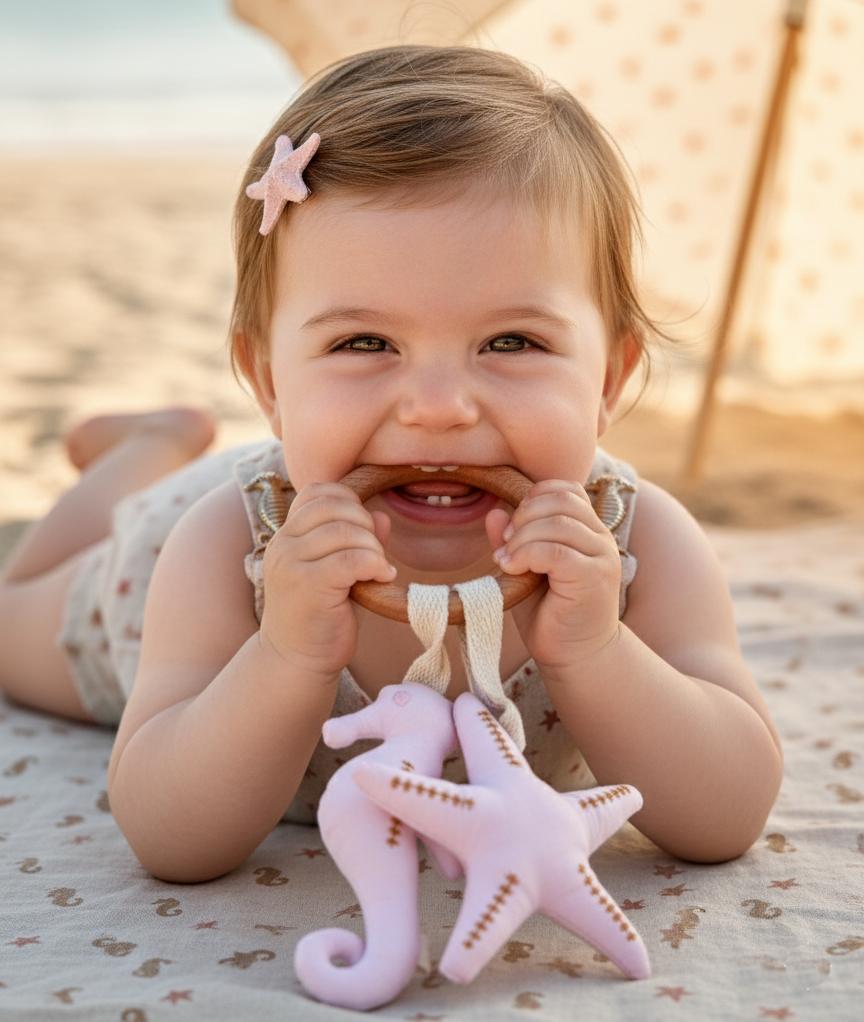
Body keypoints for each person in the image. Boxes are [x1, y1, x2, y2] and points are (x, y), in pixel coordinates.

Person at [0, 46, 783, 883]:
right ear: (270, 380)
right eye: (365, 343)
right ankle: (141, 453)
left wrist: (597, 652)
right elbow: (170, 838)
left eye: (512, 342)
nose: (438, 405)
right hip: (143, 575)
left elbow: (726, 816)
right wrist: (286, 658)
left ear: (610, 378)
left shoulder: (638, 546)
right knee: (12, 628)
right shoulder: (225, 549)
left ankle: (149, 444)